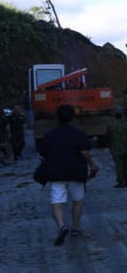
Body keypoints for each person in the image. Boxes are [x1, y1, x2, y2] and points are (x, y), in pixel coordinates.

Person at [37, 103, 100, 245]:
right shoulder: (78, 134)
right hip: (75, 172)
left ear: (57, 117)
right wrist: (92, 165)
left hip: (56, 174)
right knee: (77, 200)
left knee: (57, 202)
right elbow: (84, 152)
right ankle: (76, 227)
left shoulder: (49, 135)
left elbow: (42, 156)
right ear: (73, 116)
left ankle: (61, 226)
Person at [105, 107, 127, 187]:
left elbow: (108, 137)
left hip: (116, 148)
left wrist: (109, 146)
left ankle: (120, 182)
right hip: (126, 148)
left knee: (119, 166)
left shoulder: (111, 125)